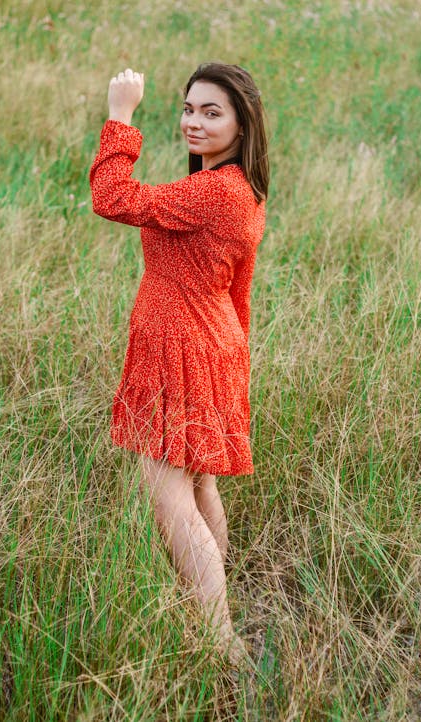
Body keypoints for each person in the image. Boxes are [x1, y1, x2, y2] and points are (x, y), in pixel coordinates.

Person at [89, 62, 269, 669]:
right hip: (214, 343)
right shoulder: (242, 191)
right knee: (198, 483)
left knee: (166, 496)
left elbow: (112, 198)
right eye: (189, 108)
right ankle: (218, 608)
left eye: (211, 112)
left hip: (180, 348)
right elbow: (238, 288)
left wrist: (120, 114)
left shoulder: (212, 191)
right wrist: (234, 361)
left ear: (243, 126)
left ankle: (220, 640)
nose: (194, 121)